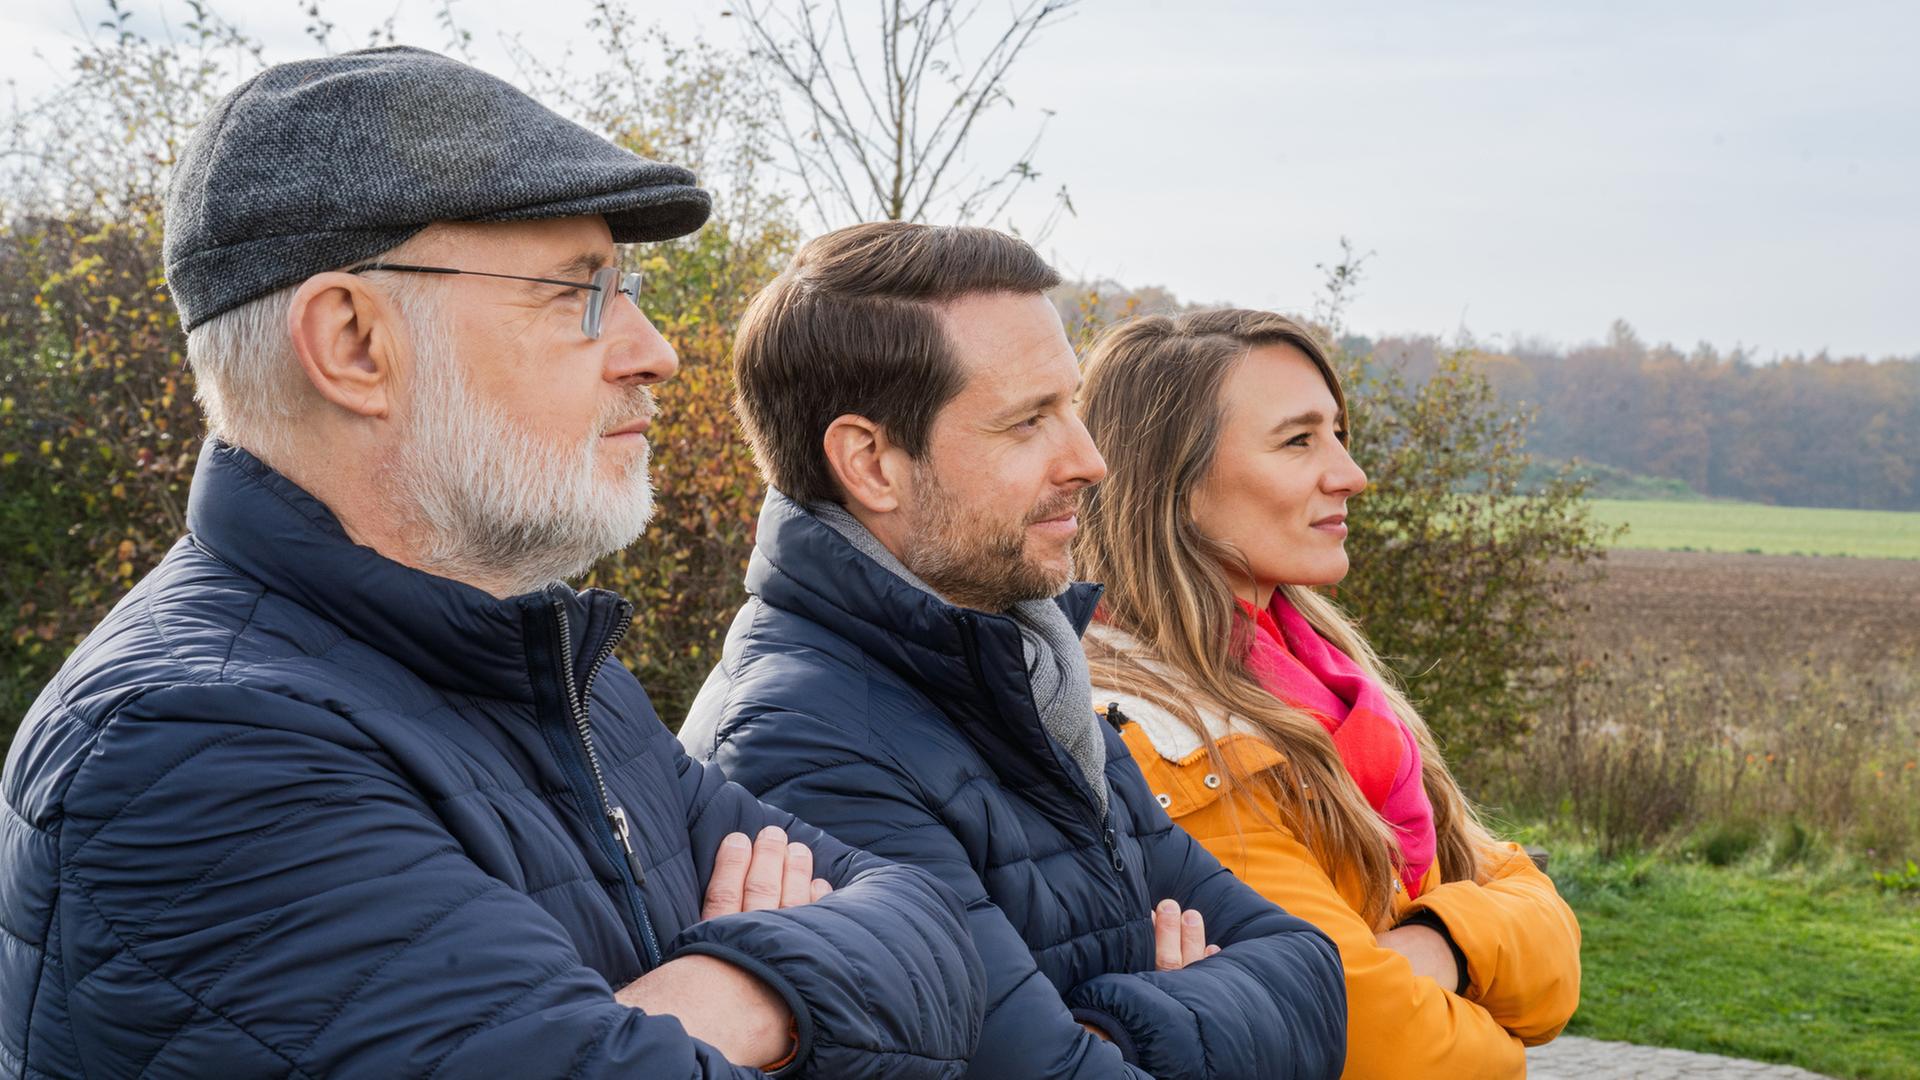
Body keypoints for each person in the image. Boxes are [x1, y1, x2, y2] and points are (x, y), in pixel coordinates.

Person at [0, 48, 986, 1080]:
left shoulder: (546, 674)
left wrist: (737, 991)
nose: (657, 350)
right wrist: (793, 984)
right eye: (578, 293)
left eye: (627, 288)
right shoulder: (192, 748)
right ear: (352, 344)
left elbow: (931, 924)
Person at [678, 223, 1348, 1080]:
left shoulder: (1025, 669)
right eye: (1029, 421)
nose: (1091, 459)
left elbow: (1311, 972)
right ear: (871, 463)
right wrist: (1173, 1015)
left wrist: (1118, 1028)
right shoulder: (801, 741)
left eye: (1071, 405)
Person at [1071, 308, 1582, 1078]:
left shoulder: (1330, 681)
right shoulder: (1159, 737)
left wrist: (1441, 941)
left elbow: (1543, 921)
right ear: (1173, 484)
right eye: (1298, 440)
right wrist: (1493, 1015)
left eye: (1337, 434)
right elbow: (1376, 1041)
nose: (1350, 474)